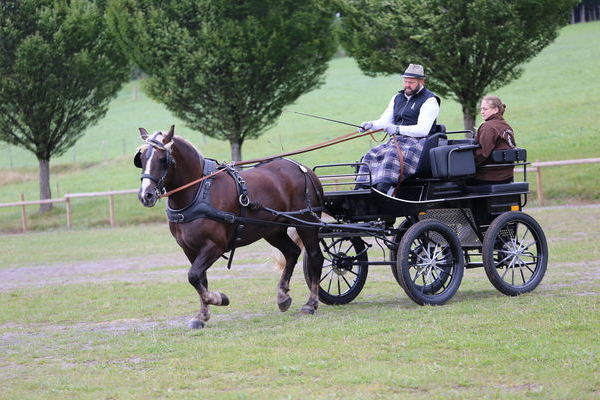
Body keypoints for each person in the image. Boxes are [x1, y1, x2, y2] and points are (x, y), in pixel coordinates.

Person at [355, 64, 440, 194]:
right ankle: (361, 191)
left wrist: (397, 129)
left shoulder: (430, 100)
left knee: (391, 155)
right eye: (405, 81)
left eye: (411, 82)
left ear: (421, 81)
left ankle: (384, 191)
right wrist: (370, 125)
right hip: (397, 141)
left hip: (419, 142)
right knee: (370, 154)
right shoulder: (397, 98)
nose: (407, 85)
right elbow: (384, 122)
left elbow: (422, 130)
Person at [471, 95, 516, 184]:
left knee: (459, 181)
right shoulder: (506, 126)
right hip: (508, 175)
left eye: (485, 109)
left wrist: (468, 162)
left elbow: (483, 153)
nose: (482, 112)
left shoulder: (488, 127)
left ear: (496, 110)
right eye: (481, 109)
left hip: (490, 176)